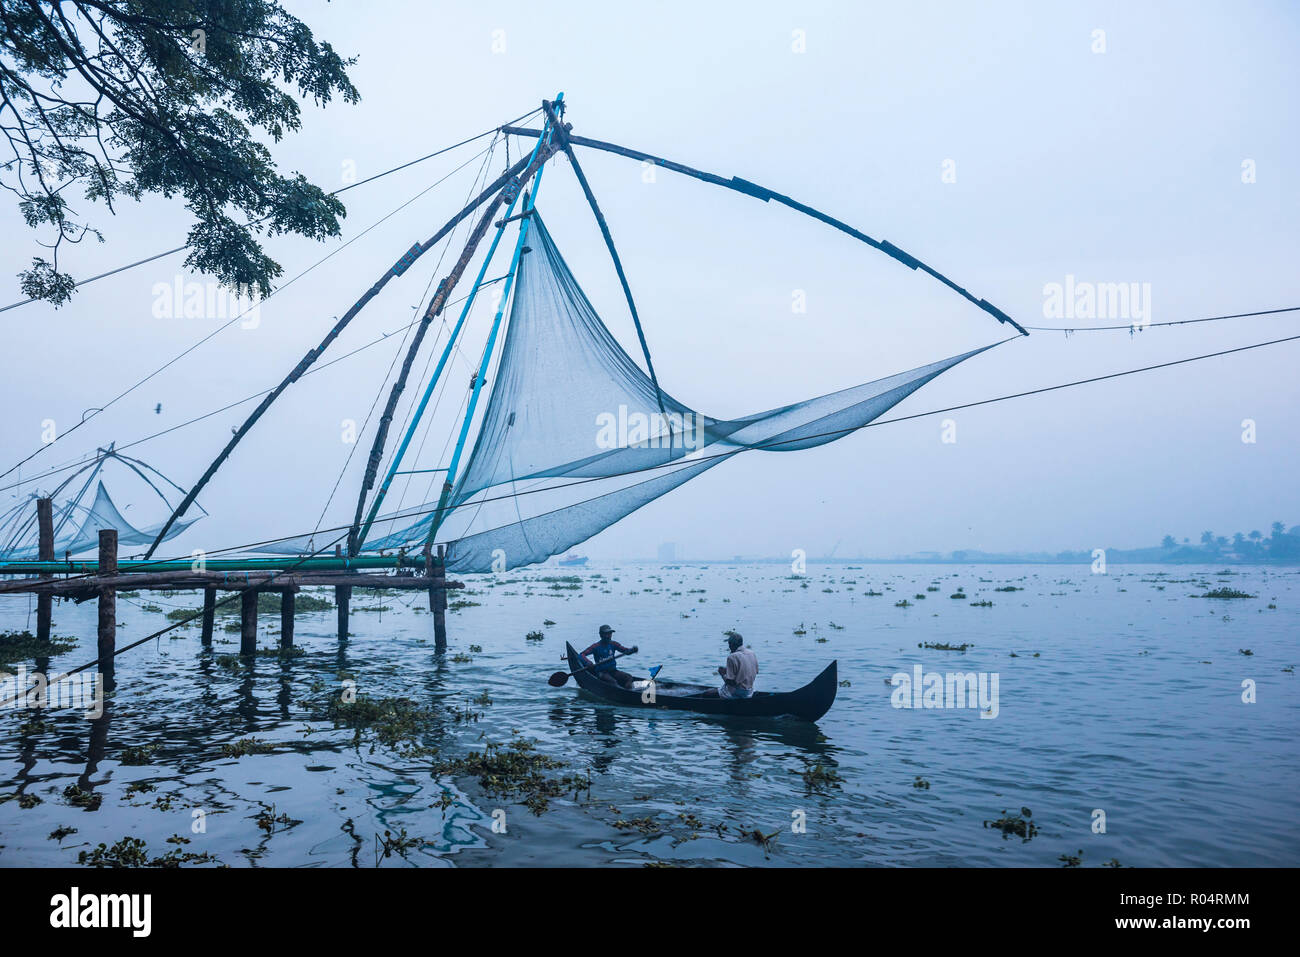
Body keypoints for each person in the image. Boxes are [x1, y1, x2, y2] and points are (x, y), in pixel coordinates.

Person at [578, 624, 639, 689]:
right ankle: (620, 692)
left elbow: (625, 650)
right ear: (601, 635)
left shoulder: (613, 644)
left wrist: (631, 650)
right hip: (601, 672)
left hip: (613, 671)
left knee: (629, 677)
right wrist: (588, 662)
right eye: (606, 634)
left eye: (610, 633)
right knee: (613, 682)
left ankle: (628, 691)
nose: (608, 636)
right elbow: (581, 655)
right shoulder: (596, 646)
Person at [713, 631, 758, 699]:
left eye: (729, 645)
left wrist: (722, 674)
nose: (729, 647)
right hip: (749, 691)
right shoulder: (752, 653)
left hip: (736, 693)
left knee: (707, 693)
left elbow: (731, 682)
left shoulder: (732, 657)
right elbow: (749, 671)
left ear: (731, 645)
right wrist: (727, 670)